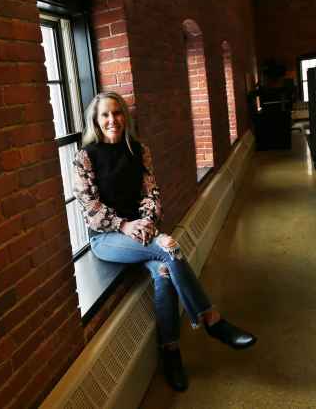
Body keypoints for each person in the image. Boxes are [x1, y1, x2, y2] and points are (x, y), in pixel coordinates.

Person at [72, 91, 256, 391]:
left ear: (124, 116)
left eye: (117, 113)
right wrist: (125, 225)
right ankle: (212, 319)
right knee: (168, 248)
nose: (112, 120)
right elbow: (89, 207)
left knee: (163, 272)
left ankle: (170, 352)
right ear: (95, 120)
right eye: (104, 115)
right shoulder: (84, 158)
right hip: (107, 238)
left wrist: (145, 223)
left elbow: (152, 193)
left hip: (141, 232)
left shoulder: (139, 150)